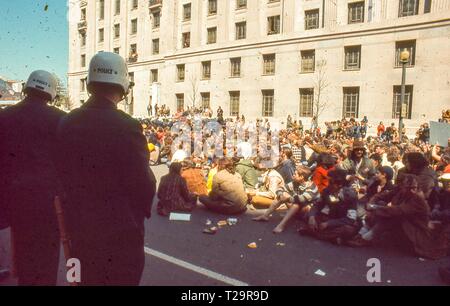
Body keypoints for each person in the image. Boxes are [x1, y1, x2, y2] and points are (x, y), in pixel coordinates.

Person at [56, 52, 157, 285]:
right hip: (120, 234)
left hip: (78, 230)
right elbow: (144, 183)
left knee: (81, 279)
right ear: (123, 85)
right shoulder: (127, 126)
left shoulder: (67, 122)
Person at [0, 70, 65, 285]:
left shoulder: (6, 116)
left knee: (23, 253)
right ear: (51, 92)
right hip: (48, 202)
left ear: (27, 88)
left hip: (16, 199)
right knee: (47, 257)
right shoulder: (59, 119)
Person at [253, 166, 320, 234]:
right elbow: (280, 188)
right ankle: (265, 215)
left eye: (295, 174)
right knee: (283, 195)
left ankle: (281, 225)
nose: (293, 175)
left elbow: (302, 199)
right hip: (300, 209)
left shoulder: (312, 187)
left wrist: (287, 198)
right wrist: (281, 195)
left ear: (301, 177)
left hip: (310, 213)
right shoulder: (295, 183)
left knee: (296, 204)